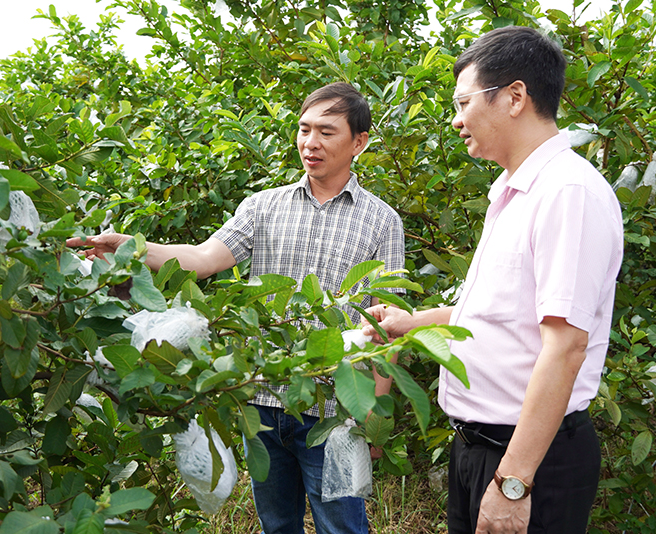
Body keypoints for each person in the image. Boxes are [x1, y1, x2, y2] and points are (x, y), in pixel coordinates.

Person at [68, 82, 405, 534]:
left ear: (358, 142)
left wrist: (374, 417)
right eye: (304, 129)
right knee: (277, 522)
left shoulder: (382, 222)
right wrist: (132, 247)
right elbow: (205, 258)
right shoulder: (263, 206)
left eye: (326, 132)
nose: (310, 143)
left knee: (341, 526)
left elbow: (387, 322)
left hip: (335, 409)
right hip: (261, 401)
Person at [363, 26, 623, 534]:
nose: (457, 120)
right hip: (480, 449)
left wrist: (514, 484)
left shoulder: (567, 193)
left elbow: (566, 345)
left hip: (527, 459)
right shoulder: (511, 192)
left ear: (515, 97)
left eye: (463, 103)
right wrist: (412, 322)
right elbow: (499, 317)